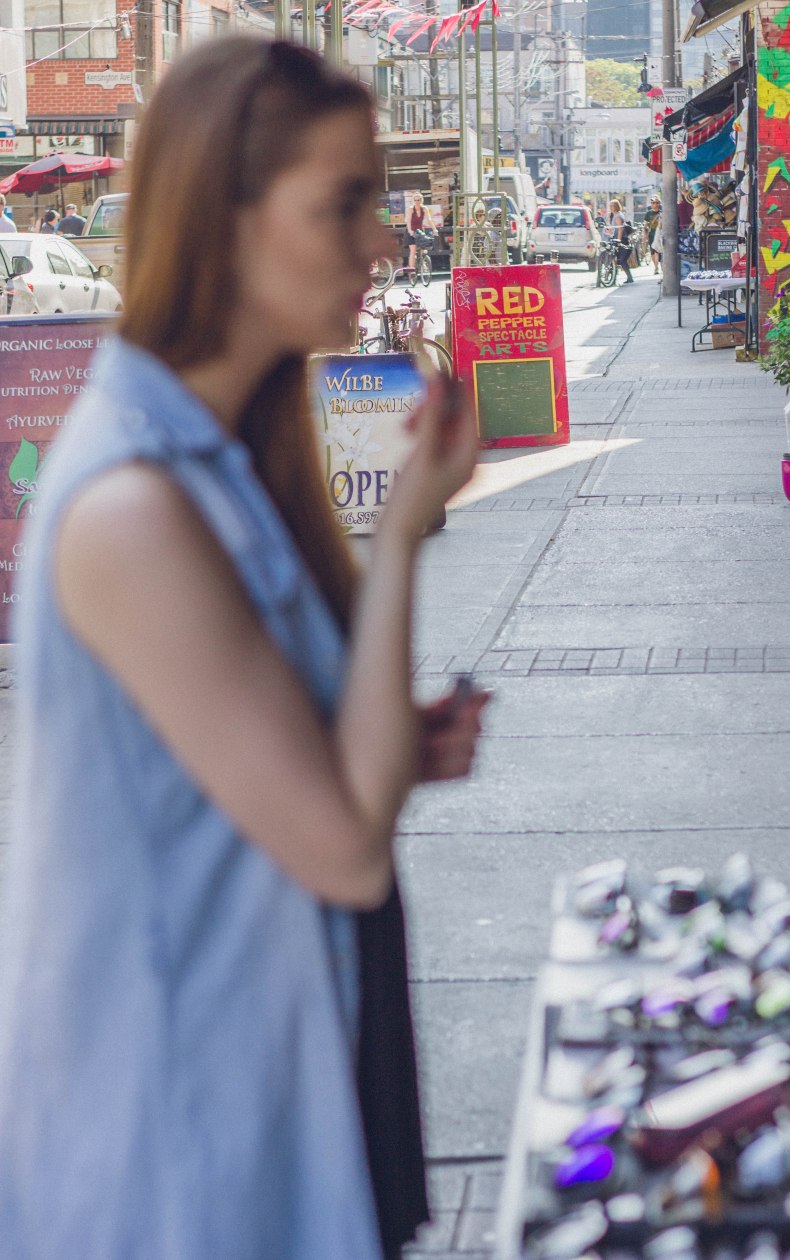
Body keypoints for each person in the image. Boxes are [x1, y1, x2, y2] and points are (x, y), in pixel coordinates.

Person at [0, 36, 485, 1260]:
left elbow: (256, 769)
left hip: (276, 1086)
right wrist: (405, 535)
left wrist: (372, 732)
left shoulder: (225, 456)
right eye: (343, 205)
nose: (382, 244)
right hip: (177, 1155)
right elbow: (343, 847)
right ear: (226, 220)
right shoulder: (132, 507)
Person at [405, 191, 435, 277]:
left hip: (420, 231)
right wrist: (410, 231)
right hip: (411, 231)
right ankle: (412, 270)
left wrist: (434, 229)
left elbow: (429, 220)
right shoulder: (411, 209)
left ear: (422, 200)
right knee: (413, 251)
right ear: (413, 201)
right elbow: (408, 221)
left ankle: (423, 263)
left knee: (423, 248)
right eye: (415, 200)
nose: (417, 202)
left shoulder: (424, 209)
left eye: (418, 200)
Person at [644, 194, 662, 275]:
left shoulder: (661, 213)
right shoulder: (648, 213)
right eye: (653, 203)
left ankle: (658, 267)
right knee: (652, 252)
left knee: (657, 251)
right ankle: (656, 266)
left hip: (659, 234)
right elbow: (645, 224)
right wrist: (644, 235)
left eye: (656, 202)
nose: (655, 204)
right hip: (651, 234)